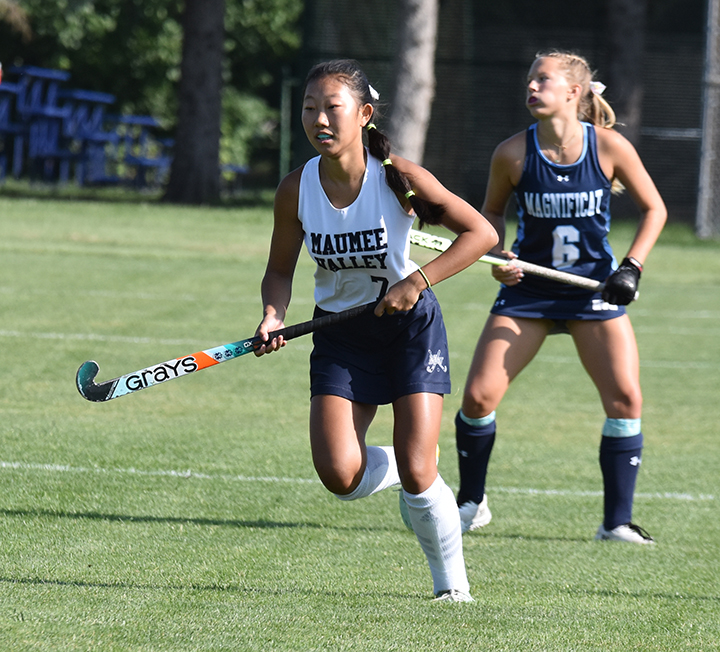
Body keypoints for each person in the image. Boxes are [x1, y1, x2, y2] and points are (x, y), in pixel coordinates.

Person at [254, 59, 498, 601]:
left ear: (363, 114)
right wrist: (273, 315)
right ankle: (409, 464)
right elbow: (278, 270)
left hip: (410, 329)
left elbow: (481, 233)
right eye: (309, 108)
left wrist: (418, 280)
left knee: (419, 472)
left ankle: (452, 590)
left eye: (331, 108)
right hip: (341, 337)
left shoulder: (400, 179)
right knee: (340, 476)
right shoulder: (295, 190)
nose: (318, 118)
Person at [454, 50, 666, 544]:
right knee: (478, 397)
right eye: (529, 80)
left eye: (542, 80)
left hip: (594, 290)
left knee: (625, 399)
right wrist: (498, 255)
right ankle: (471, 502)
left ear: (573, 92)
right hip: (530, 290)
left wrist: (630, 268)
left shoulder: (610, 147)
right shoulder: (511, 153)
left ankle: (615, 523)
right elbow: (491, 217)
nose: (531, 87)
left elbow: (654, 210)